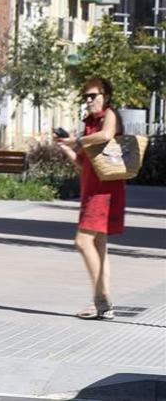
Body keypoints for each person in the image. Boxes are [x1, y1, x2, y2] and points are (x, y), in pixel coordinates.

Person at [55, 77, 125, 321]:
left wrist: (77, 141)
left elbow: (107, 135)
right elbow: (83, 164)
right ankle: (102, 304)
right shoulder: (89, 124)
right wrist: (67, 149)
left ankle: (101, 301)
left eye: (93, 95)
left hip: (103, 192)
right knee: (99, 247)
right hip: (91, 189)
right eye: (85, 96)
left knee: (83, 242)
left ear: (105, 96)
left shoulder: (109, 116)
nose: (88, 100)